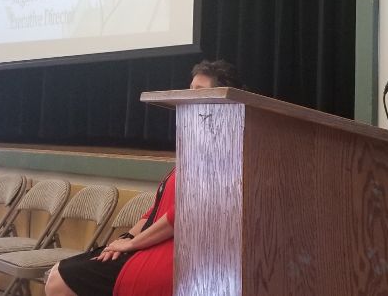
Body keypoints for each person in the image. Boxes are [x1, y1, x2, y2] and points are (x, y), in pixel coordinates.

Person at [45, 60, 243, 296]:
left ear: (220, 100)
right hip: (151, 243)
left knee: (60, 281)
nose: (187, 97)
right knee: (58, 272)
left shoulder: (222, 152)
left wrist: (132, 244)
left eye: (198, 92)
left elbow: (181, 215)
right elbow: (156, 210)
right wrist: (128, 235)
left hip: (175, 256)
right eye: (189, 89)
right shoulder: (195, 149)